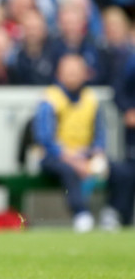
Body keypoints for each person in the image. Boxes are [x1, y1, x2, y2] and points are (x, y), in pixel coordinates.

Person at [32, 54, 132, 232]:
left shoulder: (90, 98)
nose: (72, 76)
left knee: (123, 172)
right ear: (59, 74)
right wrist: (73, 160)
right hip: (56, 158)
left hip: (85, 154)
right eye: (68, 72)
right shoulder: (50, 99)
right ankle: (81, 214)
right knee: (68, 171)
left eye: (76, 72)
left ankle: (113, 213)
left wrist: (98, 154)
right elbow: (45, 139)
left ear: (85, 74)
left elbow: (99, 133)